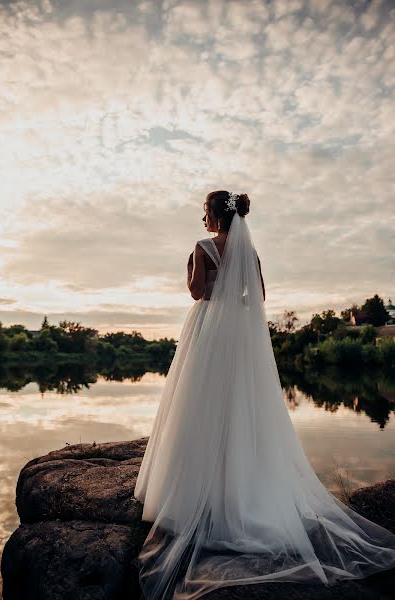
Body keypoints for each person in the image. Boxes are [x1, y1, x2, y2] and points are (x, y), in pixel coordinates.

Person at [134, 191, 395, 600]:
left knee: (199, 404)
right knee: (239, 405)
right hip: (238, 333)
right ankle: (244, 483)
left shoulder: (202, 247)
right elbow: (257, 298)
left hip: (207, 329)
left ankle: (196, 491)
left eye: (204, 212)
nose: (202, 218)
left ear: (214, 215)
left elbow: (197, 293)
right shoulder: (249, 252)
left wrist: (193, 269)